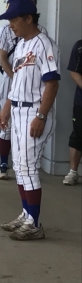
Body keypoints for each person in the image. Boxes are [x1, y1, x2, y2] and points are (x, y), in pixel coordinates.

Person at [0, 0, 59, 240]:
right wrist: (5, 109)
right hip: (18, 110)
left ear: (29, 19)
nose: (10, 25)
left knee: (29, 168)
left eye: (14, 19)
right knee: (20, 167)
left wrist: (41, 116)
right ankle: (26, 214)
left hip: (34, 111)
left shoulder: (45, 44)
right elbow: (17, 83)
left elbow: (52, 84)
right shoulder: (21, 45)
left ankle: (35, 224)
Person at [0, 0, 45, 179]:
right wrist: (17, 78)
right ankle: (4, 164)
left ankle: (24, 165)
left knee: (27, 127)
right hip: (11, 78)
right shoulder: (5, 30)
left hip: (32, 85)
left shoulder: (42, 35)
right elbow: (3, 59)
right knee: (6, 124)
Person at [64, 39, 82, 185]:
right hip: (81, 102)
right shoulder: (80, 46)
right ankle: (73, 173)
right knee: (78, 134)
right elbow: (74, 73)